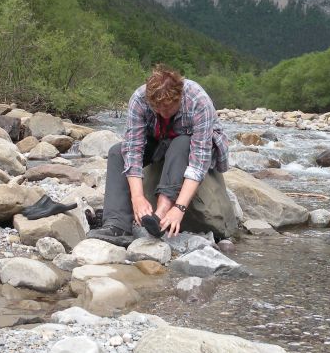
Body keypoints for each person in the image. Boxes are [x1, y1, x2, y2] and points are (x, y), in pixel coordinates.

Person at [87, 65, 238, 247]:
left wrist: (179, 208)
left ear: (179, 96)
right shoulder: (139, 99)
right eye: (157, 107)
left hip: (188, 147)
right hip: (159, 141)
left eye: (169, 106)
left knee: (182, 142)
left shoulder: (198, 101)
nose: (163, 112)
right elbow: (133, 149)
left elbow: (199, 162)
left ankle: (161, 213)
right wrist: (138, 197)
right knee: (117, 152)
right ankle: (116, 225)